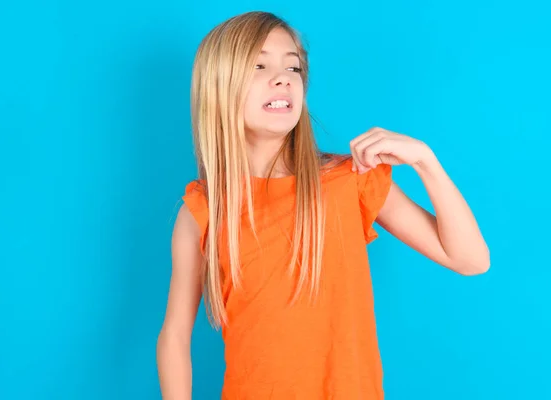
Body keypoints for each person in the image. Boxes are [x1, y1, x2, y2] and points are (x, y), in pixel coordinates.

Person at [156, 11, 490, 400]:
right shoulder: (203, 208)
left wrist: (426, 162)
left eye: (293, 67)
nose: (282, 78)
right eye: (259, 65)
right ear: (219, 86)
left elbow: (471, 260)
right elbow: (175, 336)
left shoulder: (351, 179)